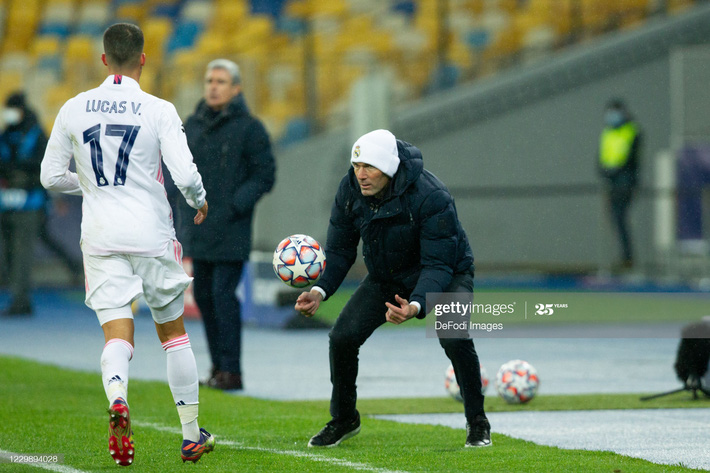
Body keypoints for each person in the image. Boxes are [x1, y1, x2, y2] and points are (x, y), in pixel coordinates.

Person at [40, 23, 214, 465]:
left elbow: (49, 176)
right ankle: (192, 435)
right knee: (173, 334)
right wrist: (199, 200)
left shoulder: (74, 108)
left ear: (103, 59)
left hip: (100, 236)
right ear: (142, 58)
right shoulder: (157, 108)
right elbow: (185, 174)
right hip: (152, 234)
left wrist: (94, 188)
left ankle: (118, 395)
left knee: (117, 332)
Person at [295, 129, 491, 448]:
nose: (361, 174)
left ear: (389, 167)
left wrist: (415, 306)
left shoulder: (432, 195)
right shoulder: (350, 189)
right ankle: (345, 418)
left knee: (453, 336)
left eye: (369, 167)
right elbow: (341, 249)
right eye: (356, 165)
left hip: (449, 272)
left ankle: (478, 422)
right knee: (342, 338)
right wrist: (320, 291)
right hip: (387, 276)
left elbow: (438, 265)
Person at [177, 59, 276, 391]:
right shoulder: (191, 125)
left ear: (236, 88)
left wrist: (236, 205)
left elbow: (265, 174)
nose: (213, 86)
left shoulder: (250, 128)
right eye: (209, 80)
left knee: (222, 294)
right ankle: (218, 367)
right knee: (204, 296)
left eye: (220, 81)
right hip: (198, 227)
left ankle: (232, 371)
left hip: (231, 228)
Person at [0, 92, 48, 315]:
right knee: (8, 254)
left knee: (22, 254)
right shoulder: (6, 134)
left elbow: (44, 166)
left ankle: (20, 299)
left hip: (30, 202)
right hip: (7, 202)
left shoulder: (37, 134)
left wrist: (19, 174)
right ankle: (18, 297)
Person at [598, 99, 641, 271]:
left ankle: (627, 258)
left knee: (620, 218)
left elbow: (630, 159)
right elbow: (601, 158)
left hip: (625, 182)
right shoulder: (607, 132)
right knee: (615, 219)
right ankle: (622, 258)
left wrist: (615, 171)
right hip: (611, 183)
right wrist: (606, 172)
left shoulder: (632, 131)